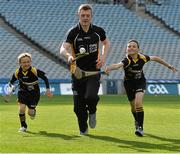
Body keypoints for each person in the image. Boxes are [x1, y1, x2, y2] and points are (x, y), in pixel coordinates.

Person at [105, 39, 177, 137]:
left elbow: (155, 58)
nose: (131, 48)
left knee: (138, 103)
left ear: (138, 49)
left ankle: (140, 128)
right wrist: (109, 68)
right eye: (129, 46)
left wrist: (169, 66)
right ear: (126, 49)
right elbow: (118, 65)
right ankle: (137, 120)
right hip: (128, 84)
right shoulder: (127, 60)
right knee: (133, 107)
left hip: (140, 82)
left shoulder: (143, 57)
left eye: (134, 46)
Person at [60, 4, 109, 135]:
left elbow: (106, 43)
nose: (85, 18)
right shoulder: (73, 32)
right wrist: (69, 55)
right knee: (78, 107)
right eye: (83, 15)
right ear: (78, 15)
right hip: (77, 72)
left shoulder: (98, 31)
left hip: (93, 71)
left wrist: (103, 58)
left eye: (88, 15)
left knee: (91, 96)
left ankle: (92, 111)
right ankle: (83, 129)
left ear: (91, 16)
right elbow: (62, 49)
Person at [8, 52, 53, 132]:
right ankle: (23, 126)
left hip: (34, 93)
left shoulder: (34, 70)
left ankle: (33, 111)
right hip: (22, 91)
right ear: (19, 63)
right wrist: (11, 87)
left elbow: (45, 78)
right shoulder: (17, 72)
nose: (26, 64)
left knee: (30, 113)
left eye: (28, 61)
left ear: (31, 62)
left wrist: (48, 89)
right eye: (24, 62)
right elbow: (11, 82)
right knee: (21, 109)